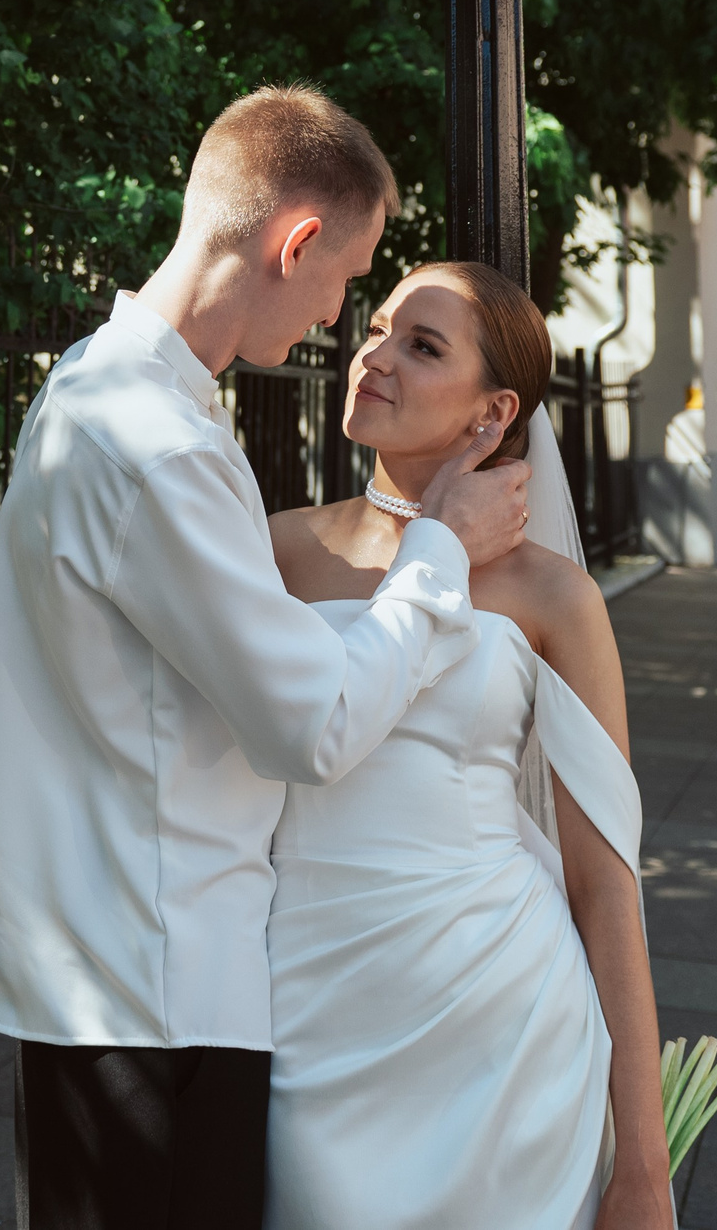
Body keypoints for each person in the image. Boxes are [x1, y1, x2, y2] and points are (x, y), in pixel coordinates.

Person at [0, 86, 532, 1228]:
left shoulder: (92, 382)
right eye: (347, 280)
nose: (339, 320)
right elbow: (311, 726)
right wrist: (438, 553)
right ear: (297, 240)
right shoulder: (161, 446)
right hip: (153, 988)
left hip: (102, 967)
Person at [264, 263, 672, 1230]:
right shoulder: (272, 550)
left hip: (501, 1017)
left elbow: (605, 881)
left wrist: (643, 1168)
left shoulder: (553, 596)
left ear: (493, 413)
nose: (376, 355)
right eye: (378, 329)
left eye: (422, 345)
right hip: (300, 1003)